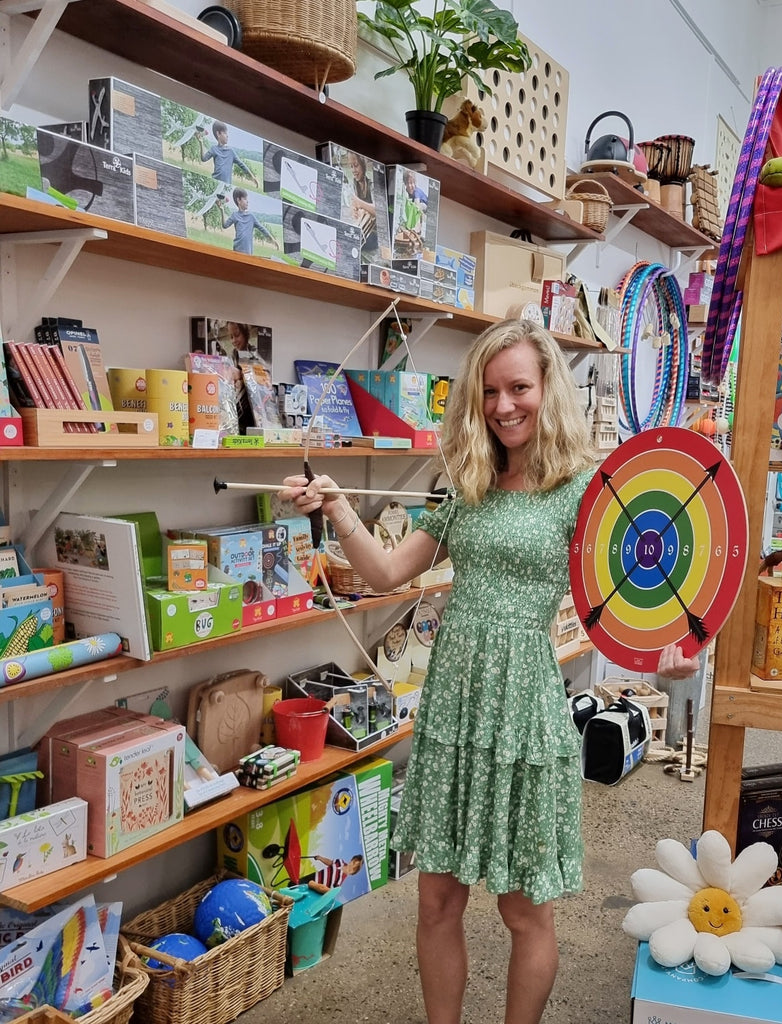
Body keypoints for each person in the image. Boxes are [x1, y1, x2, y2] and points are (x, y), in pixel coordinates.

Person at [283, 319, 699, 1024]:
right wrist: (339, 509)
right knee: (437, 899)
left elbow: (637, 591)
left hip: (525, 707)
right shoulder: (467, 484)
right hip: (454, 707)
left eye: (519, 388)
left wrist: (666, 656)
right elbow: (384, 573)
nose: (504, 406)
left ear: (547, 389)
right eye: (490, 392)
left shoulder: (581, 492)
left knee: (523, 907)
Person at [217, 187, 278, 255]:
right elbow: (225, 225)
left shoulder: (251, 216)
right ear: (239, 200)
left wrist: (272, 239)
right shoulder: (234, 215)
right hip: (237, 250)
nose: (247, 201)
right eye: (245, 199)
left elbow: (262, 228)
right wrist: (222, 210)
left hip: (248, 251)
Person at [199, 120, 258, 186]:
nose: (227, 136)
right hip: (215, 183)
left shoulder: (231, 151)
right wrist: (201, 142)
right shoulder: (214, 149)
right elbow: (203, 159)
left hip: (226, 184)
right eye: (225, 133)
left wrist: (252, 176)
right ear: (218, 134)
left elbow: (241, 164)